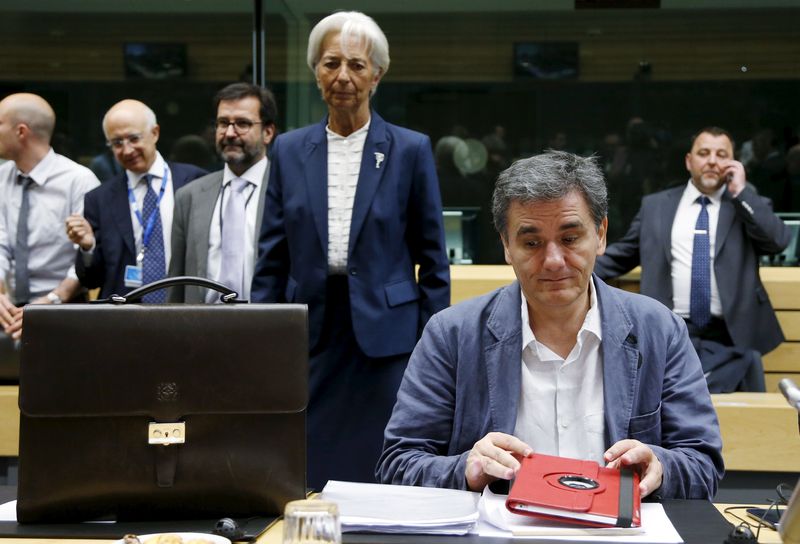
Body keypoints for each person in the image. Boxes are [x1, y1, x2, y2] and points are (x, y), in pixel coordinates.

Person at [377, 151, 723, 500]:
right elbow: (398, 463)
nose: (554, 261)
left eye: (570, 239)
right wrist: (466, 468)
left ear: (600, 235)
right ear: (507, 247)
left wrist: (660, 466)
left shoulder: (659, 330)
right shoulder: (451, 335)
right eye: (531, 243)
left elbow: (702, 464)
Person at [250, 11, 450, 489]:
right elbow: (272, 255)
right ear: (315, 71)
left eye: (357, 66)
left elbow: (433, 258)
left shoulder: (410, 149)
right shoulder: (289, 151)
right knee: (309, 454)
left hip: (387, 333)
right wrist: (266, 335)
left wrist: (430, 342)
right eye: (330, 63)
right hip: (312, 327)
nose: (343, 77)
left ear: (377, 76)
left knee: (384, 454)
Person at [595, 127, 790, 391]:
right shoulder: (657, 206)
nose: (712, 160)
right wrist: (570, 266)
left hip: (731, 335)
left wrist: (741, 191)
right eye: (704, 153)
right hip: (671, 329)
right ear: (689, 161)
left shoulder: (745, 203)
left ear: (734, 164)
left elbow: (778, 240)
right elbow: (622, 255)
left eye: (721, 154)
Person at [66, 100, 206, 301]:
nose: (127, 150)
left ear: (155, 133)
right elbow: (91, 280)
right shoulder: (100, 199)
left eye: (134, 138)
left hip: (187, 307)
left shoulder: (196, 182)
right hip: (125, 317)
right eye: (117, 143)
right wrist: (88, 247)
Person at [0, 93, 100, 340]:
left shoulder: (79, 180)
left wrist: (53, 301)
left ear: (21, 131)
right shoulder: (2, 177)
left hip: (65, 310)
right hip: (9, 310)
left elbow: (89, 254)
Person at [168, 83, 276, 302]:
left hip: (267, 326)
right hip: (201, 328)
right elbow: (177, 282)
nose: (229, 133)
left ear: (267, 132)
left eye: (242, 124)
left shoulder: (286, 191)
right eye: (223, 123)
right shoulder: (189, 196)